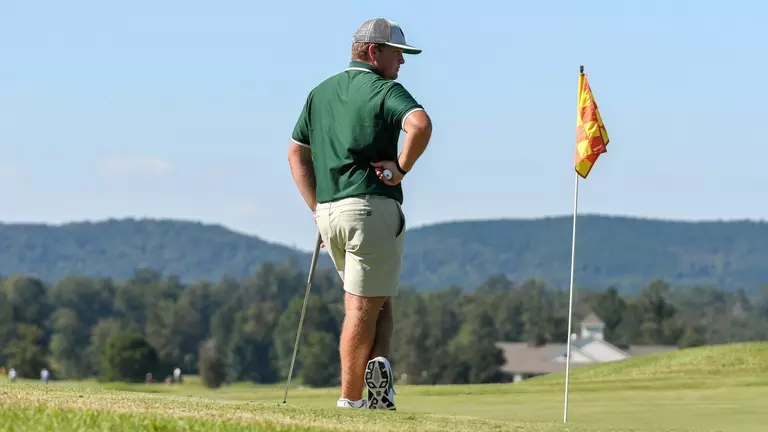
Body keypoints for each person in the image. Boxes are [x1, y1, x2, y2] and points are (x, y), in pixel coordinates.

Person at [288, 17, 432, 410]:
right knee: (361, 308)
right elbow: (419, 124)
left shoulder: (320, 92)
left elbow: (296, 153)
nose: (401, 63)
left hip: (330, 213)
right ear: (374, 52)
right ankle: (352, 402)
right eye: (398, 55)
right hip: (371, 207)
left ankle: (379, 380)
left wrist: (316, 208)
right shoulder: (385, 89)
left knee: (376, 300)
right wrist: (402, 167)